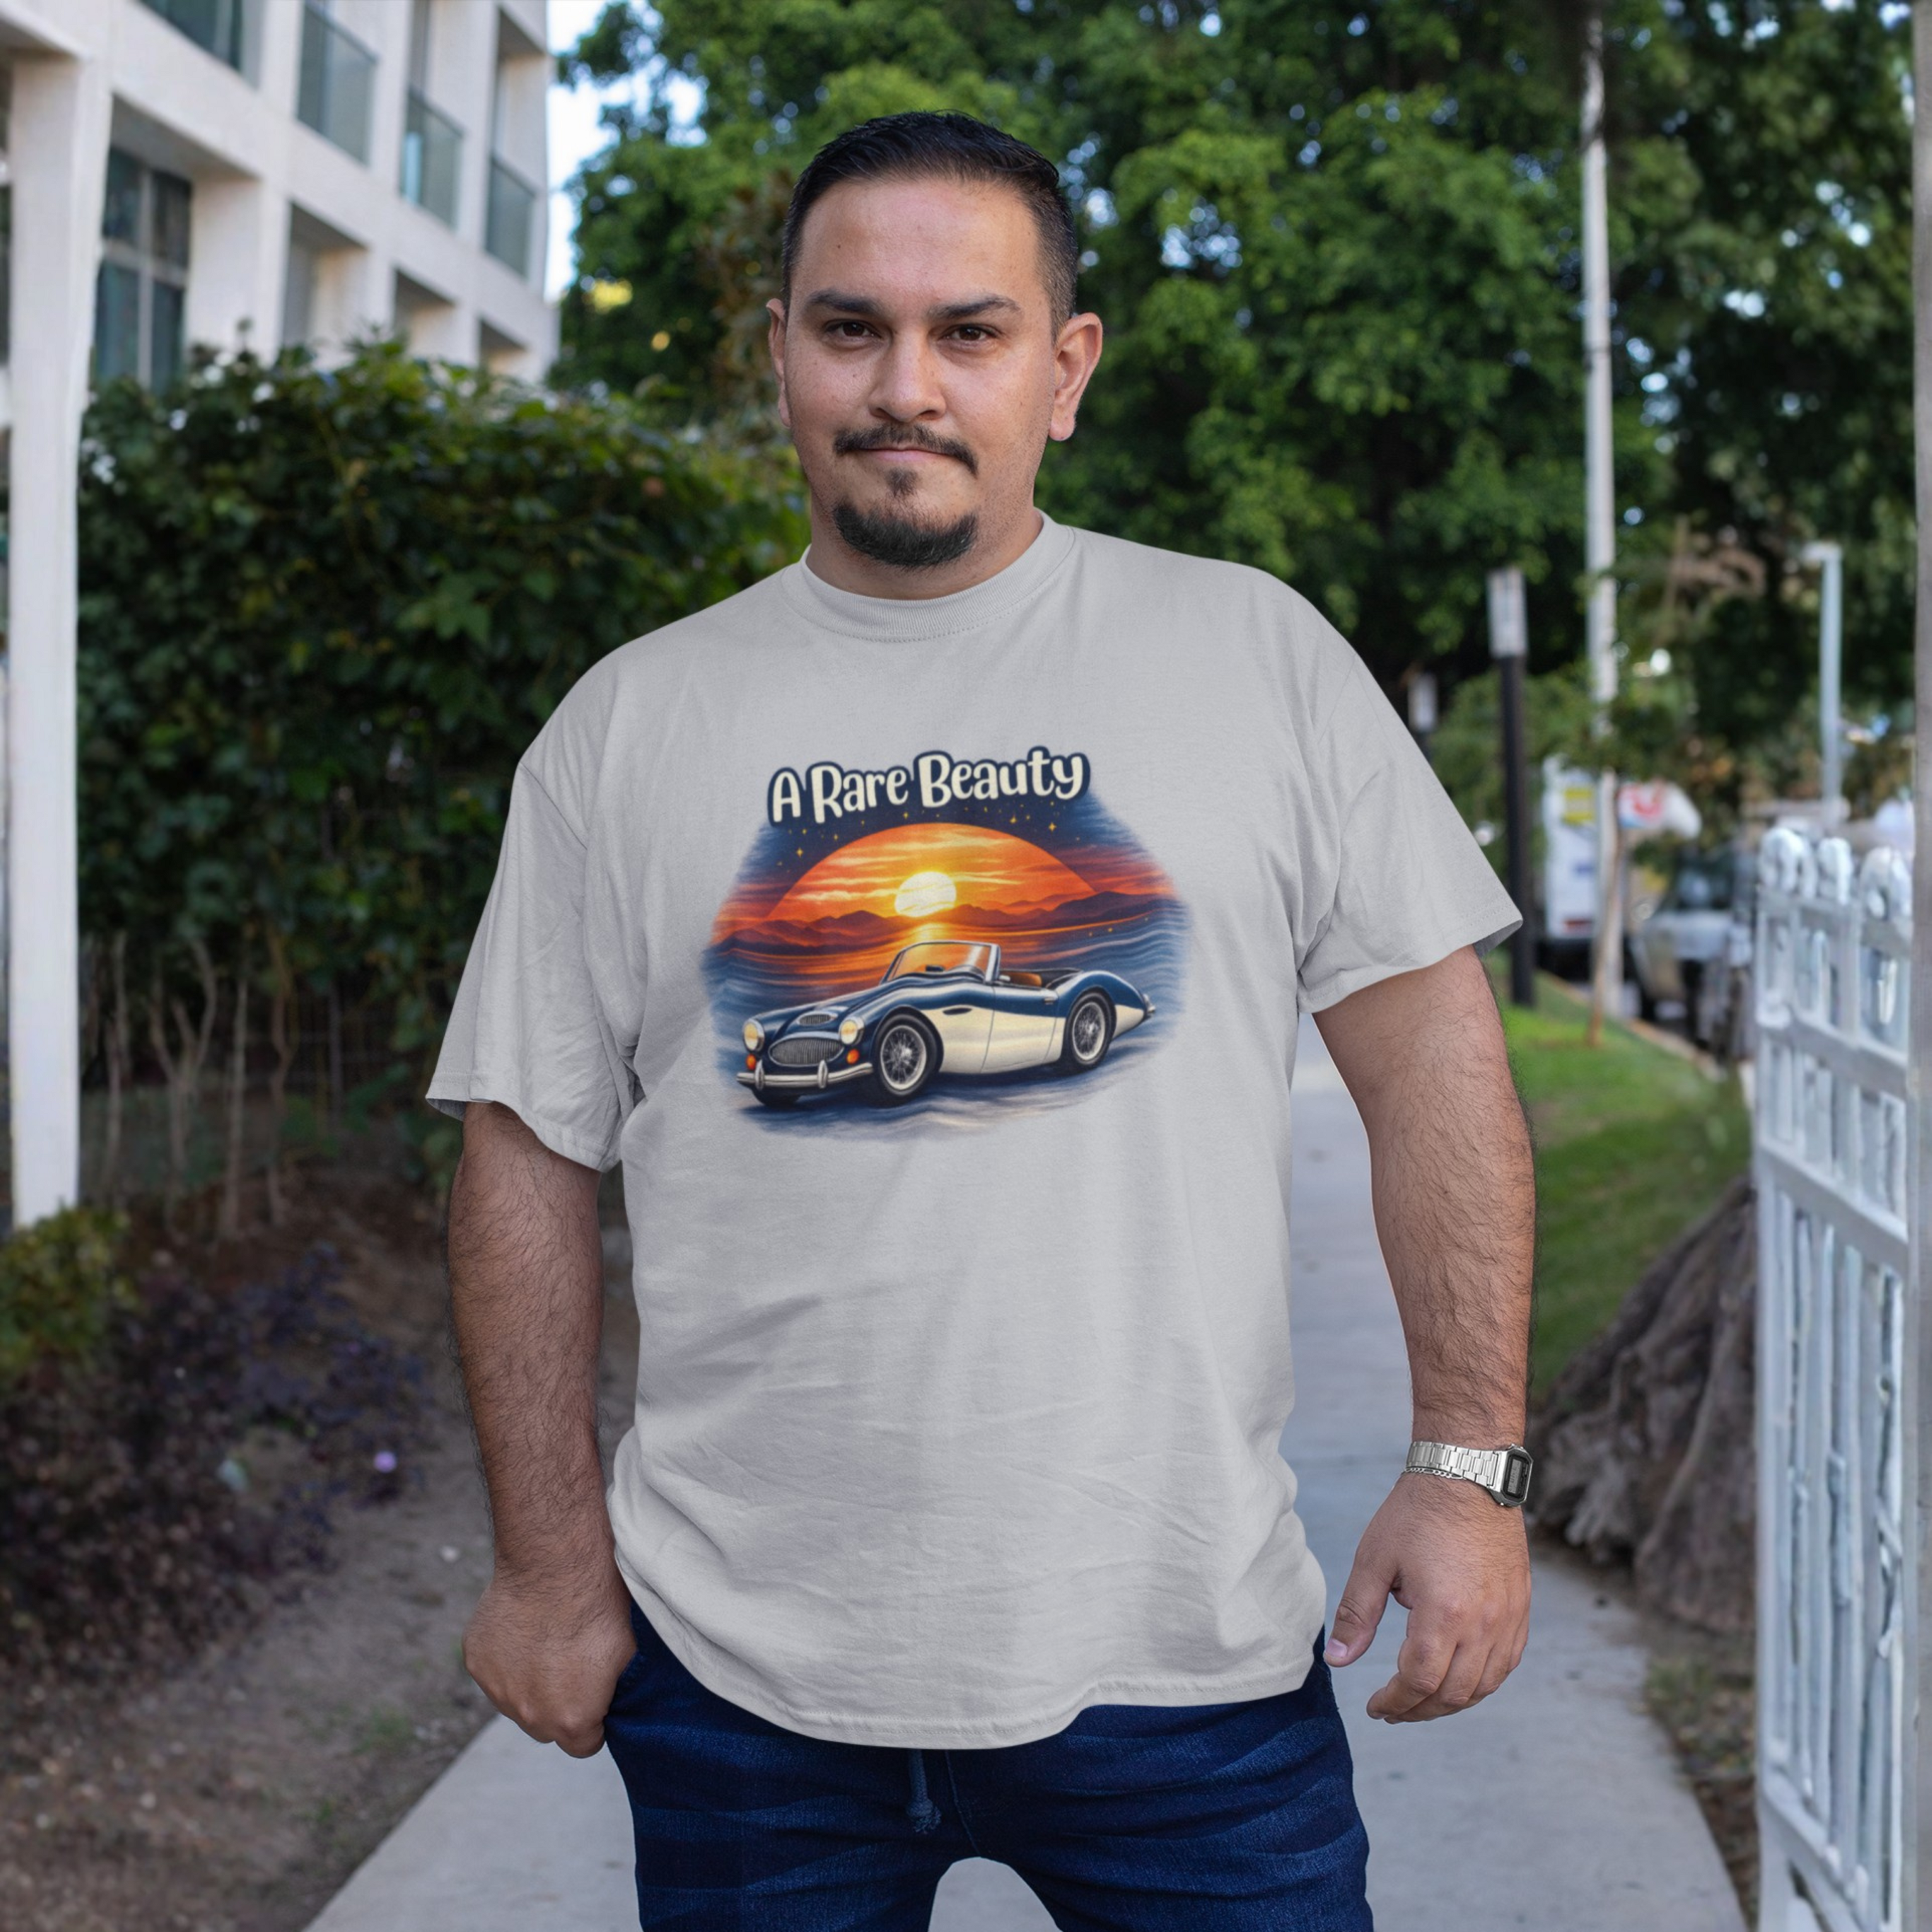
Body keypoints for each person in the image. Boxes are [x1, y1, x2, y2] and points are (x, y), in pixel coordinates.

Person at [432, 111, 1536, 1930]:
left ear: (1065, 367)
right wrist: (549, 1566)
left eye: (971, 332)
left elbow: (1435, 1068)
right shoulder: (629, 726)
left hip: (1190, 1659)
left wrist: (1469, 1467)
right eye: (852, 328)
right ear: (780, 352)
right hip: (741, 1681)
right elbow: (526, 1146)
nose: (905, 387)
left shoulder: (1254, 656)